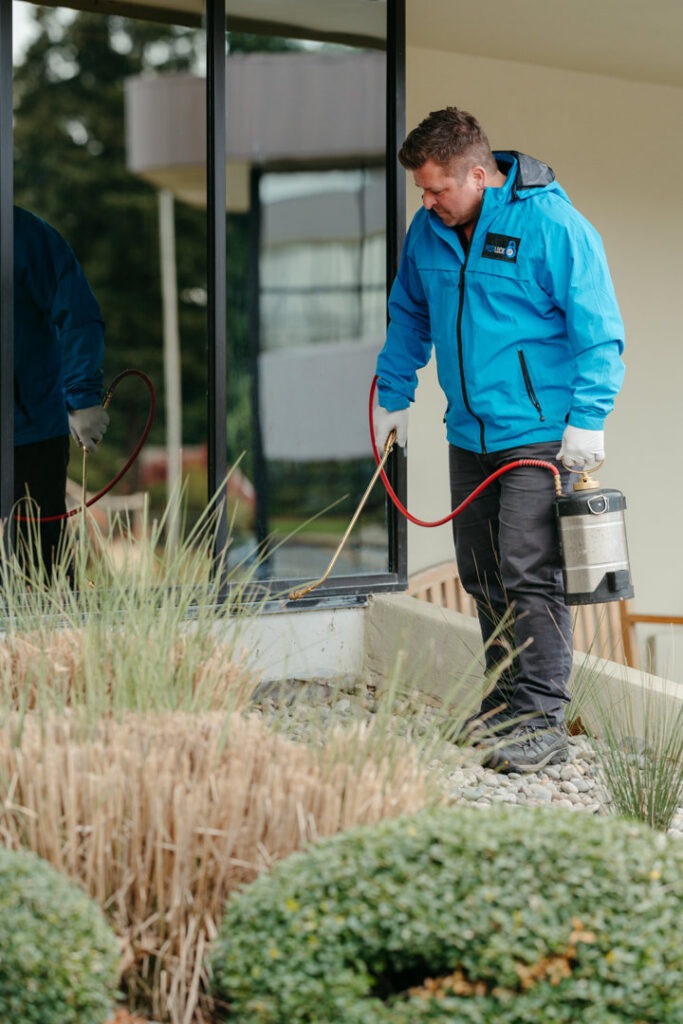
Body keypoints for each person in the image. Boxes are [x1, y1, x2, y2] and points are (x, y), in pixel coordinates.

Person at [373, 107, 625, 772]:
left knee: (526, 573)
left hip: (538, 439)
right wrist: (393, 395)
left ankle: (541, 720)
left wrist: (588, 416)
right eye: (420, 192)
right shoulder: (428, 232)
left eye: (436, 190)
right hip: (469, 433)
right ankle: (505, 705)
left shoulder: (552, 227)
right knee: (482, 574)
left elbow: (598, 328)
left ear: (478, 174)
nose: (426, 203)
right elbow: (408, 313)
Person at [13, 205, 109, 574]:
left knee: (40, 572)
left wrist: (83, 398)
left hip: (29, 440)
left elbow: (77, 313)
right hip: (31, 430)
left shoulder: (23, 234)